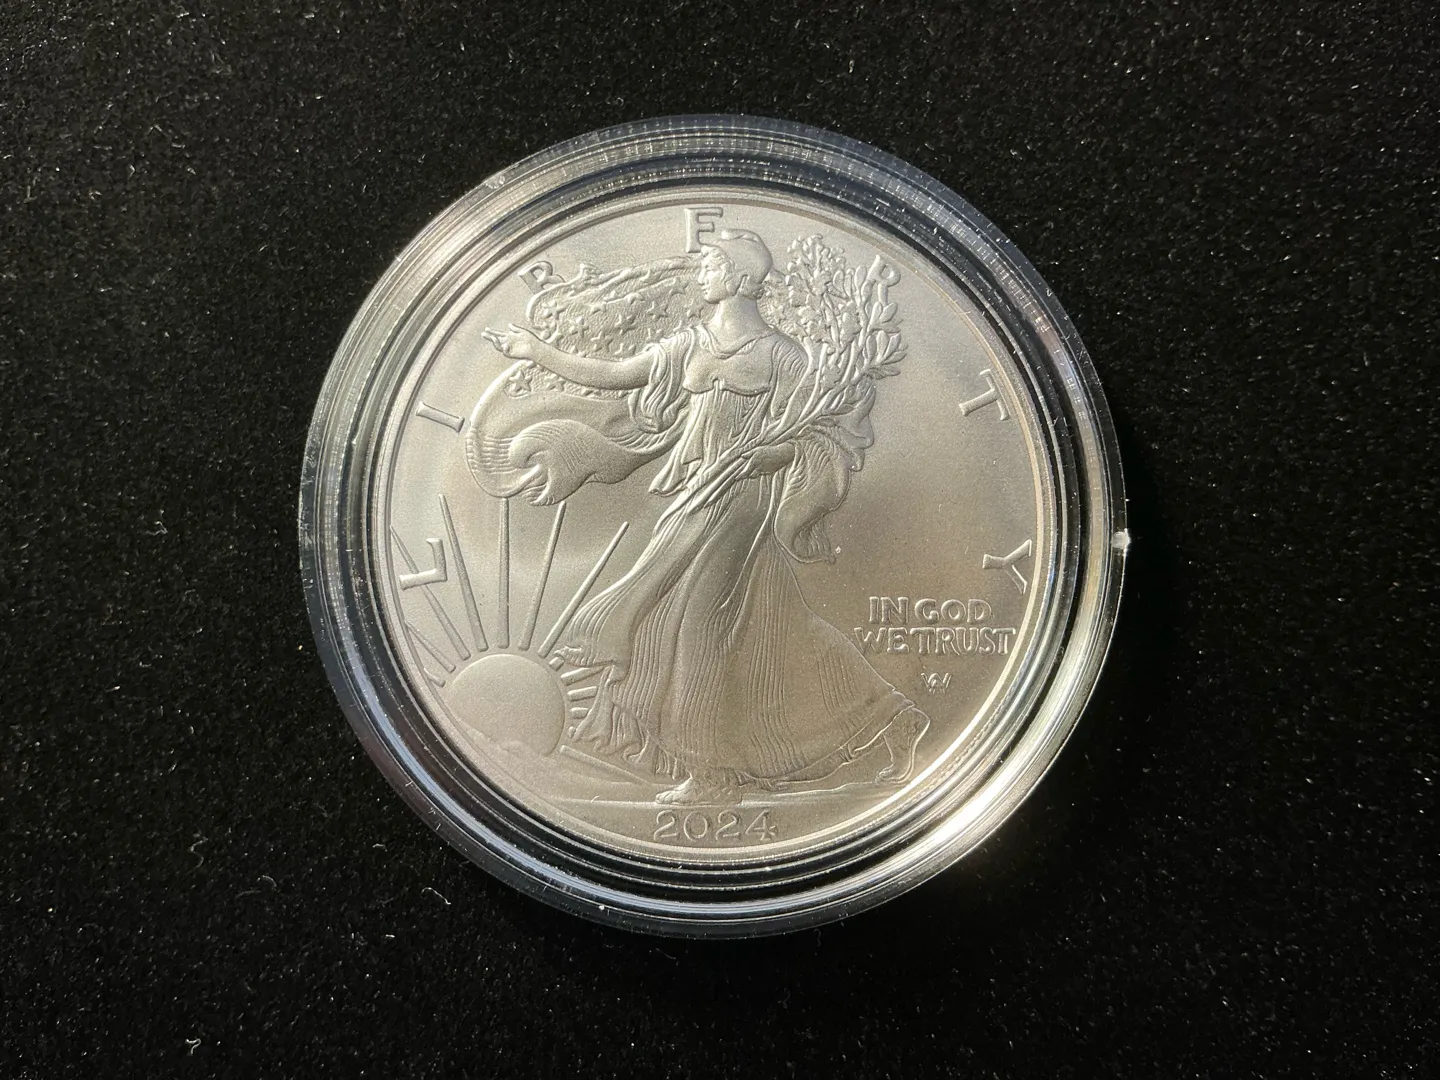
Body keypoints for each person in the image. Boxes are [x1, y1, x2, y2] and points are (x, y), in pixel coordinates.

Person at [480, 230, 928, 805]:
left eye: (713, 264)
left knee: (698, 623)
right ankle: (892, 717)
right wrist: (537, 352)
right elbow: (617, 373)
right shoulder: (690, 344)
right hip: (695, 491)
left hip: (743, 500)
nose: (702, 273)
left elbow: (821, 433)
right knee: (772, 624)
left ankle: (712, 772)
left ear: (740, 278)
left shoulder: (783, 356)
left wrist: (773, 454)